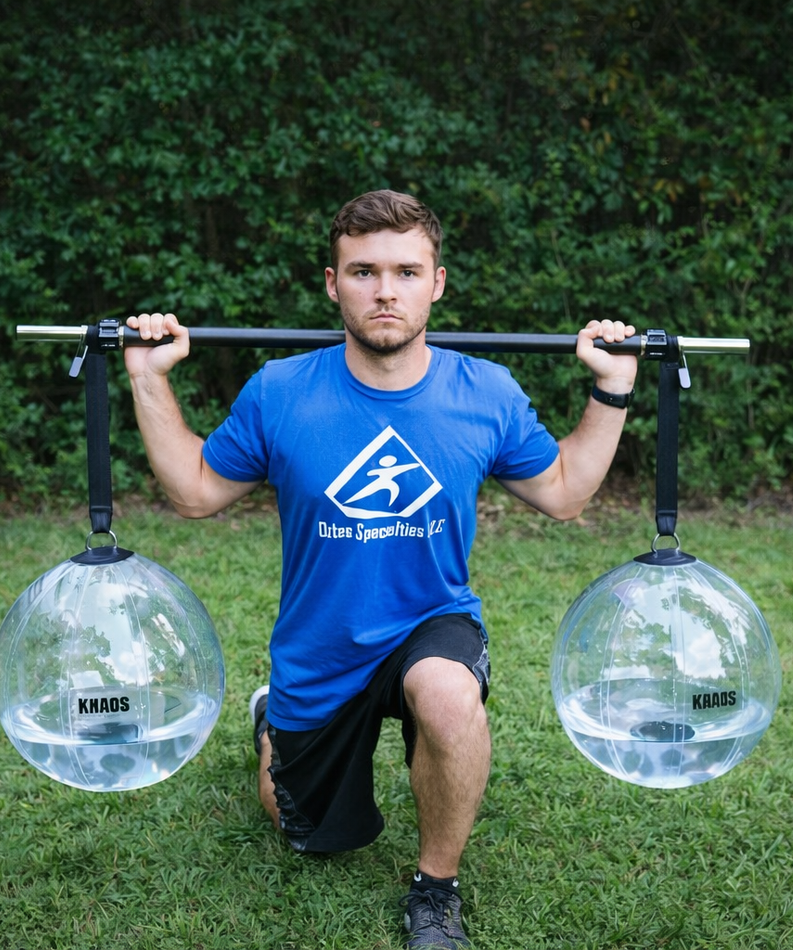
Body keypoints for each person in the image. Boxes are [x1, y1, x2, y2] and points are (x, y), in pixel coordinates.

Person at [124, 190, 637, 949]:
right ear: (333, 285)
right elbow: (196, 492)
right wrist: (148, 375)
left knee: (449, 695)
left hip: (432, 618)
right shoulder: (281, 391)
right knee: (310, 835)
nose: (386, 291)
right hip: (322, 649)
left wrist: (612, 386)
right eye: (364, 272)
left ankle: (436, 890)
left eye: (406, 272)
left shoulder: (484, 392)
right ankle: (272, 725)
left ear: (437, 284)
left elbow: (564, 493)